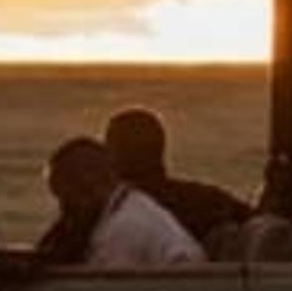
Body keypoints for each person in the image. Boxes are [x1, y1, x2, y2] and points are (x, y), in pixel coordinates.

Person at [104, 107, 255, 250]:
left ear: (118, 155)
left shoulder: (109, 212)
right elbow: (252, 218)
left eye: (109, 146)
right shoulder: (206, 200)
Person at [38, 136, 203, 267]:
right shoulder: (133, 206)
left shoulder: (124, 229)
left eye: (65, 198)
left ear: (87, 186)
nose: (63, 209)